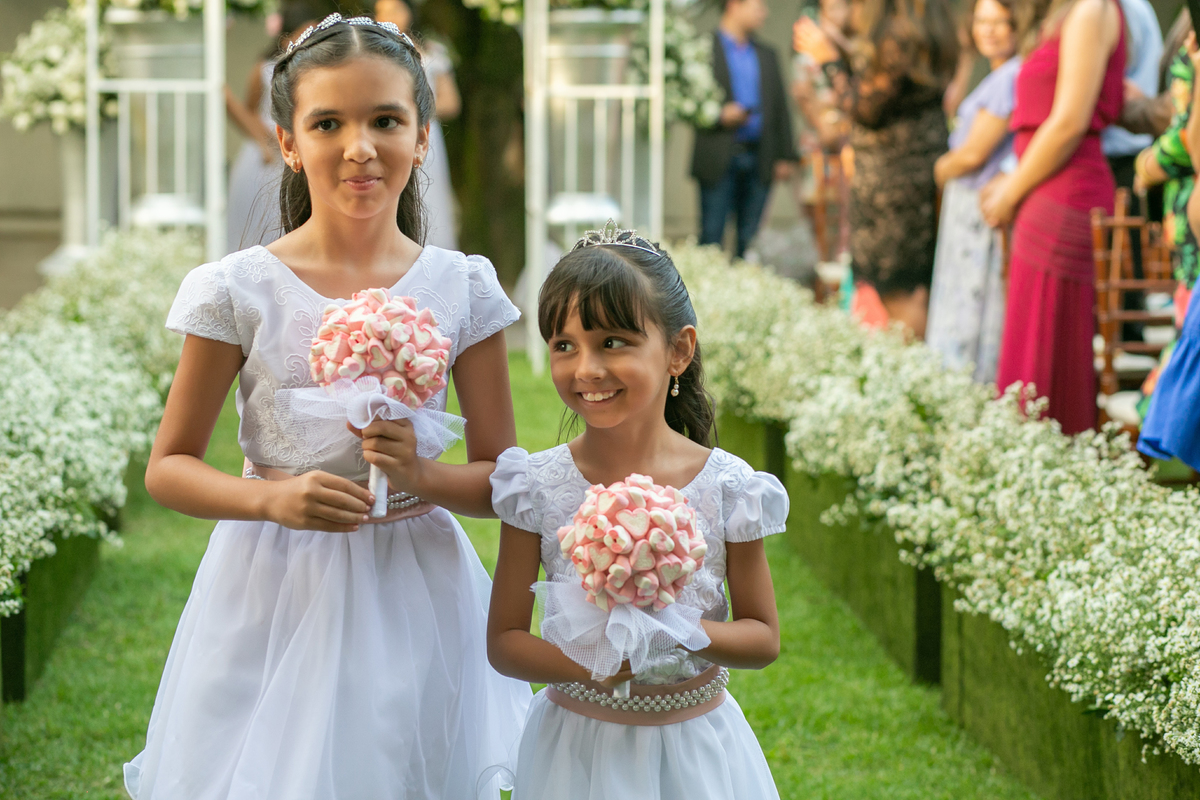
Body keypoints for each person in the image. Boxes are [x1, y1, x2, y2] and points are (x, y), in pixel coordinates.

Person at [124, 16, 530, 799]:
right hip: (273, 587)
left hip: (415, 582)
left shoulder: (462, 287)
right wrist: (270, 498)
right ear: (286, 142)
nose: (359, 147)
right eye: (328, 124)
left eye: (385, 120)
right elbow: (168, 468)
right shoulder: (237, 289)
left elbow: (501, 479)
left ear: (420, 139)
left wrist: (423, 476)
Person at [487, 226, 788, 799]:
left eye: (613, 342)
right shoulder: (536, 486)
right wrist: (592, 666)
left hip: (693, 750)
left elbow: (763, 636)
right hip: (575, 753)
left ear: (678, 350)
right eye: (564, 345)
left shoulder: (729, 487)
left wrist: (676, 629)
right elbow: (504, 640)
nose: (586, 369)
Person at [981, 0, 1126, 435]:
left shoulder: (1091, 9)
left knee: (1048, 359)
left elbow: (1068, 122)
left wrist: (1011, 190)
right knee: (1030, 354)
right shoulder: (1060, 14)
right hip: (1042, 192)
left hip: (1063, 196)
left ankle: (1050, 476)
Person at [795, 0, 960, 338]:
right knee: (912, 288)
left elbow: (864, 107)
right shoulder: (929, 23)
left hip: (892, 187)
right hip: (915, 175)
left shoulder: (897, 33)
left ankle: (911, 378)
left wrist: (827, 59)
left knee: (901, 294)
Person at [925, 0, 1021, 383]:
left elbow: (974, 154)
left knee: (968, 318)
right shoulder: (995, 73)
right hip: (964, 208)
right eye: (982, 21)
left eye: (1001, 21)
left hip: (977, 209)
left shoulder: (1012, 75)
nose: (990, 30)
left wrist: (938, 168)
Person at [693, 0, 799, 259]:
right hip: (719, 154)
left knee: (750, 239)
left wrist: (785, 155)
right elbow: (689, 102)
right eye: (758, 5)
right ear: (734, 5)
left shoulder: (766, 54)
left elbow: (779, 108)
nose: (764, 12)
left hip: (759, 157)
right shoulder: (702, 50)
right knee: (711, 236)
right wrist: (719, 114)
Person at [225, 1, 327, 253]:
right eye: (303, 34)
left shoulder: (322, 72)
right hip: (265, 157)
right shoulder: (265, 68)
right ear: (286, 37)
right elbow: (249, 112)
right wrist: (265, 139)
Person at [375, 0, 462, 250]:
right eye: (381, 11)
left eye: (394, 9)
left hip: (425, 134)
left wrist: (410, 114)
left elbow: (451, 102)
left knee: (428, 195)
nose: (387, 16)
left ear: (410, 12)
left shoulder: (432, 52)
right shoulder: (373, 52)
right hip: (385, 133)